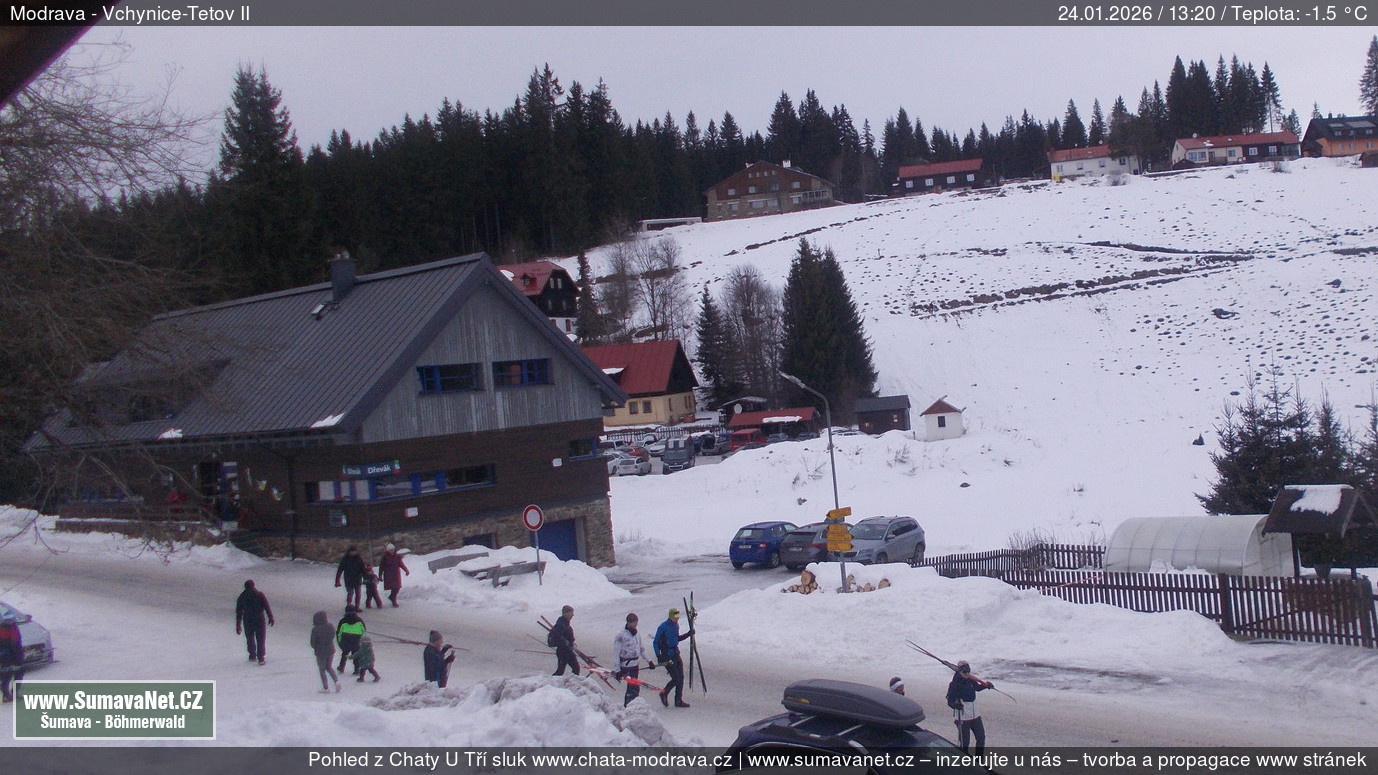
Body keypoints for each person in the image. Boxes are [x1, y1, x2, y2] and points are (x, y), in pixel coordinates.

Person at [946, 660, 994, 755]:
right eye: (965, 672)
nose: (967, 674)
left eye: (968, 671)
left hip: (975, 715)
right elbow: (949, 700)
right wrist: (955, 705)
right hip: (963, 717)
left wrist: (986, 685)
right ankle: (965, 761)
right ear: (960, 671)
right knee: (965, 742)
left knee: (981, 738)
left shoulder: (971, 680)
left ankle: (979, 760)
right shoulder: (954, 684)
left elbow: (977, 688)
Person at [652, 607, 694, 708]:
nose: (677, 620)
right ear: (670, 617)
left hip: (675, 653)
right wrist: (658, 655)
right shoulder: (663, 627)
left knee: (681, 677)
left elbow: (676, 639)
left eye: (678, 618)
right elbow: (655, 642)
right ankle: (664, 693)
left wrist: (688, 634)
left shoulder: (676, 626)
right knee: (676, 678)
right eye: (675, 618)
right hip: (666, 655)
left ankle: (678, 700)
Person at [613, 612, 655, 707]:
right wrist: (617, 670)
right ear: (628, 622)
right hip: (626, 665)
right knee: (632, 687)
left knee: (635, 687)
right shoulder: (621, 636)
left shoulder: (637, 634)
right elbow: (616, 653)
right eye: (633, 622)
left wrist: (649, 661)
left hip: (635, 665)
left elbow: (641, 649)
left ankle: (633, 705)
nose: (635, 624)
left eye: (636, 622)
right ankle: (628, 706)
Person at [234, 579, 275, 665]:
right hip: (259, 620)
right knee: (260, 639)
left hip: (248, 620)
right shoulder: (259, 595)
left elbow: (239, 613)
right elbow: (266, 607)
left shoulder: (242, 597)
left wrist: (238, 625)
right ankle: (261, 658)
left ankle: (252, 655)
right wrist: (270, 617)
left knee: (250, 638)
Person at [310, 610, 341, 693]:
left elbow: (312, 643)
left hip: (320, 652)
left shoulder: (315, 629)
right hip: (331, 650)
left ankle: (326, 688)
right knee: (329, 667)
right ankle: (337, 681)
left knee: (322, 670)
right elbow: (333, 636)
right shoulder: (330, 626)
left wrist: (316, 647)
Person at [548, 605, 579, 676]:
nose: (573, 615)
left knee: (561, 670)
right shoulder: (561, 624)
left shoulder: (564, 623)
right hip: (564, 650)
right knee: (575, 668)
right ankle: (573, 681)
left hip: (565, 650)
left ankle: (553, 681)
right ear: (566, 614)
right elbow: (557, 636)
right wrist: (566, 642)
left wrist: (571, 642)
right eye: (571, 613)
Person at [335, 545, 367, 610]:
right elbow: (340, 570)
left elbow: (363, 569)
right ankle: (349, 606)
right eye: (352, 551)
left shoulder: (359, 559)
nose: (353, 553)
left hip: (357, 579)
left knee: (358, 594)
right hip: (348, 579)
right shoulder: (345, 559)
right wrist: (337, 580)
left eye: (354, 551)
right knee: (350, 593)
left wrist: (365, 578)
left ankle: (357, 607)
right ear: (349, 552)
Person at [335, 605, 366, 673]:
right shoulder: (359, 620)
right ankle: (357, 668)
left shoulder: (343, 621)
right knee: (355, 654)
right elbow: (363, 631)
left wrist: (339, 641)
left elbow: (339, 632)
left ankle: (342, 667)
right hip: (356, 640)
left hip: (345, 640)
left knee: (344, 654)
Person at [379, 543, 410, 607]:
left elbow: (401, 564)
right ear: (388, 550)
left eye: (393, 550)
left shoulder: (397, 557)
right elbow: (381, 567)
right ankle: (394, 601)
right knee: (393, 587)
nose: (392, 551)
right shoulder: (385, 557)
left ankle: (392, 597)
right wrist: (380, 575)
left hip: (396, 574)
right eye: (390, 550)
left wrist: (406, 571)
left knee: (397, 587)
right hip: (389, 575)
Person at [0, 611, 22, 703]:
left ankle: (7, 695)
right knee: (18, 672)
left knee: (6, 675)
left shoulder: (7, 626)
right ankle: (11, 694)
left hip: (5, 655)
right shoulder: (11, 627)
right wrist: (18, 655)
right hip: (12, 654)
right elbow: (14, 642)